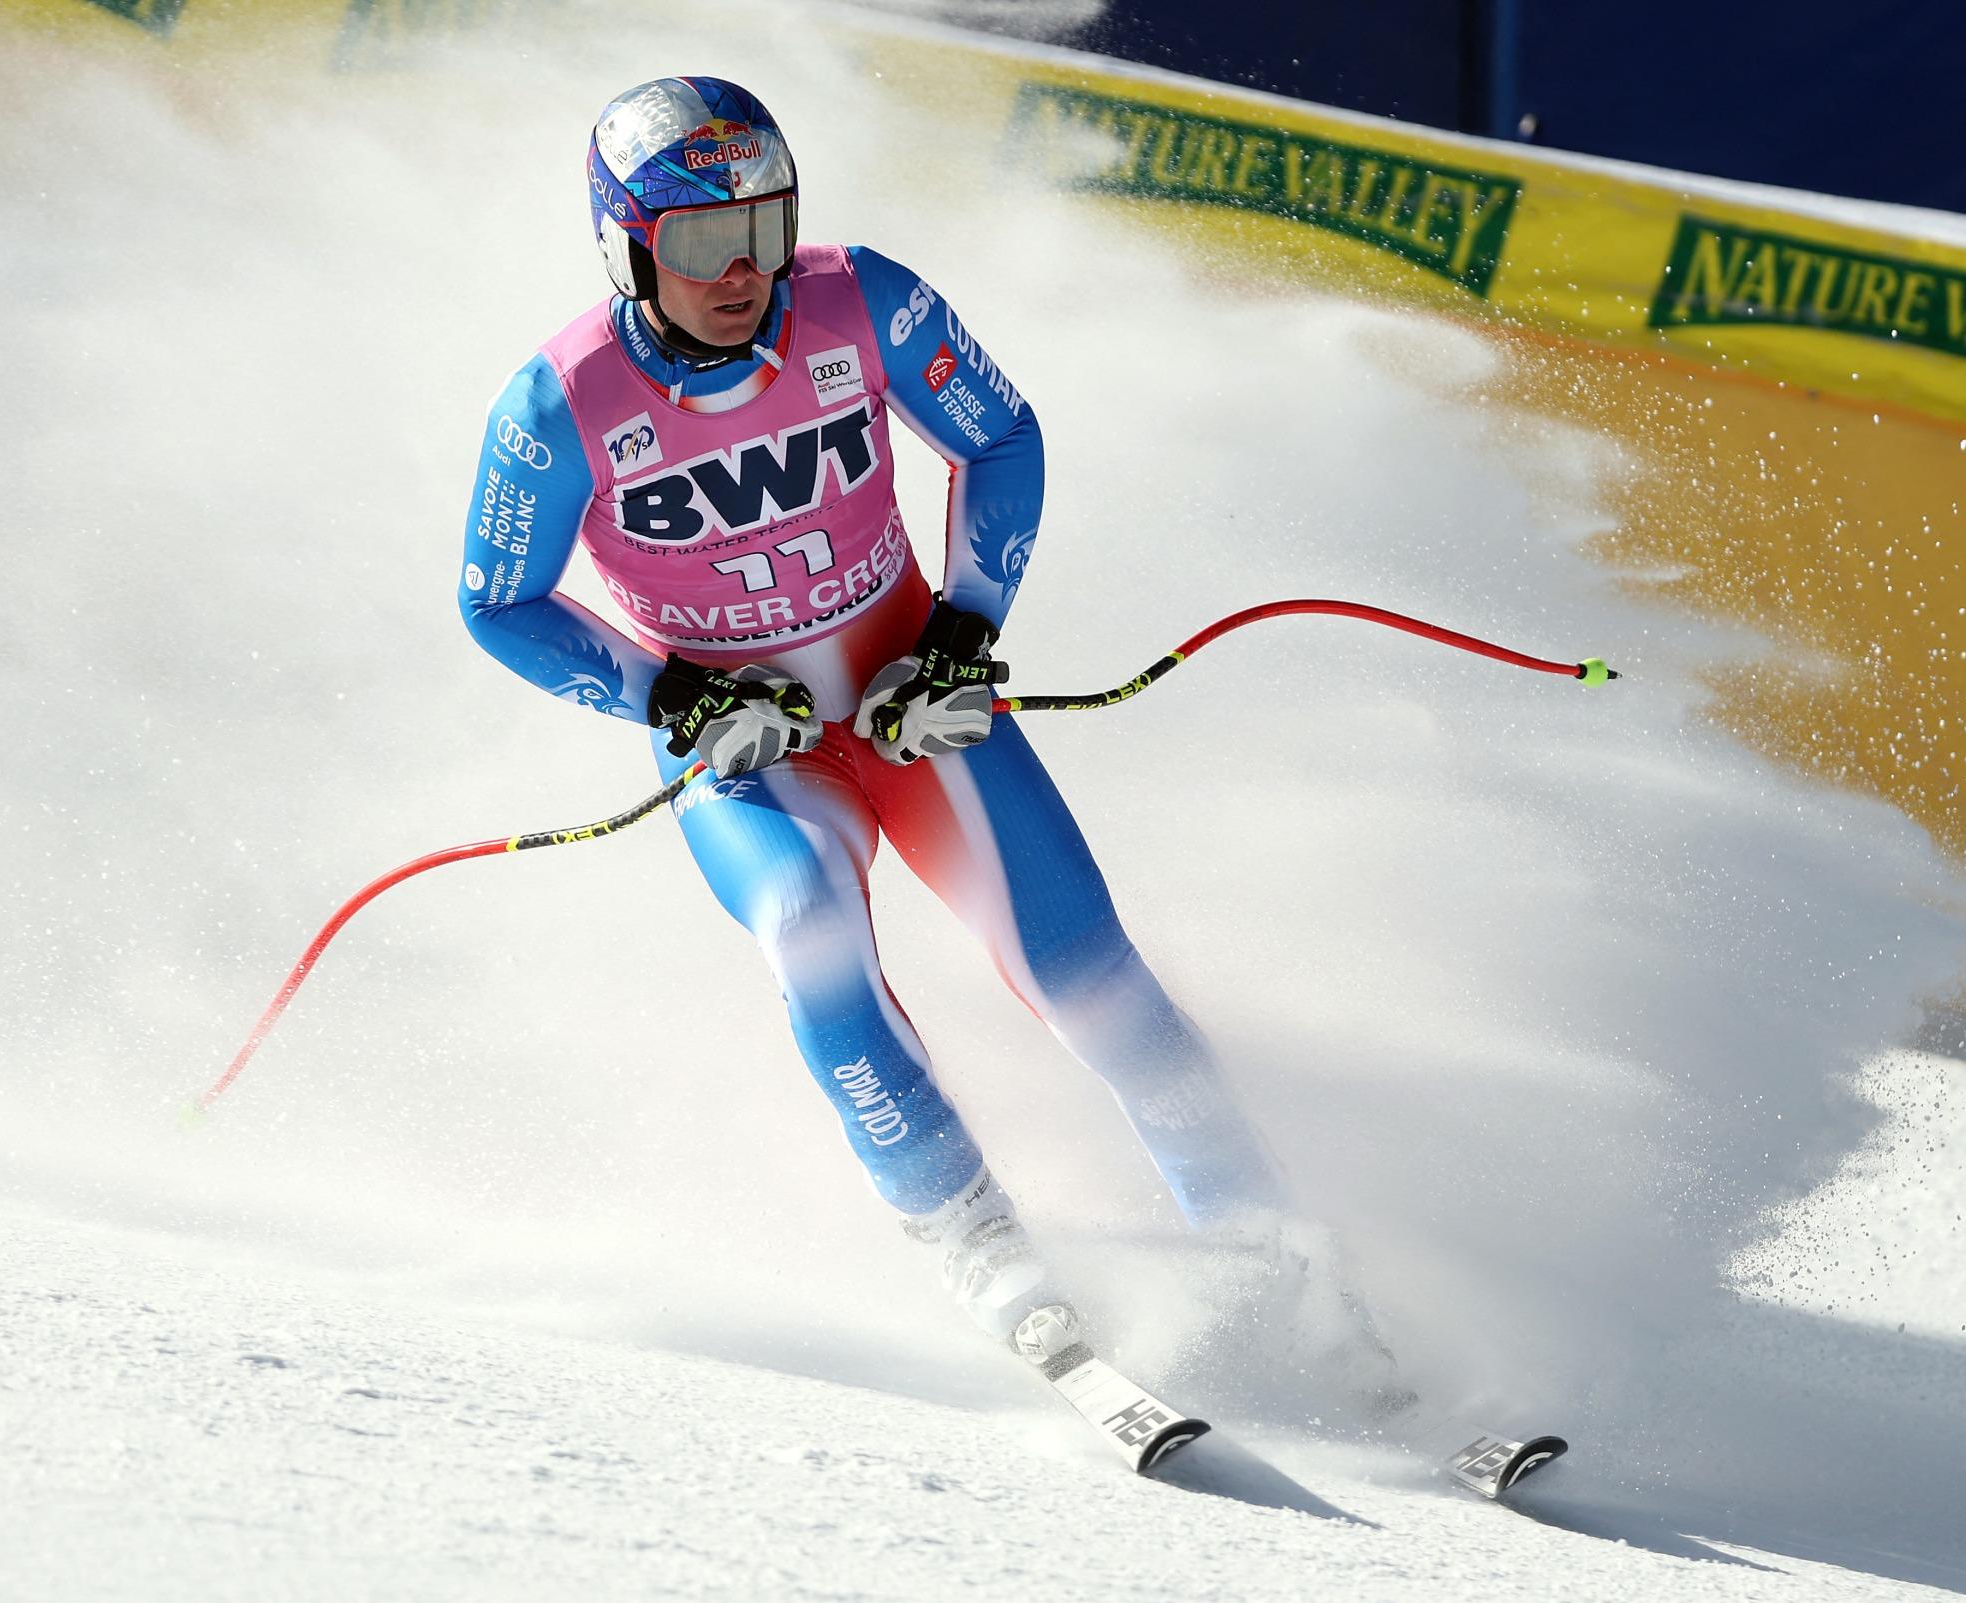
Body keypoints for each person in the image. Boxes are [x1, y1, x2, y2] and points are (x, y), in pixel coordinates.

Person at [458, 76, 1372, 1384]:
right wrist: (669, 696)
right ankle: (974, 1238)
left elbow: (999, 440)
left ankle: (1281, 1260)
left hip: (907, 695)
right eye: (705, 243)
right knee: (808, 931)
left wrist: (962, 630)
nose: (744, 271)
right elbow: (497, 601)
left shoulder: (860, 297)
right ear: (626, 242)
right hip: (752, 744)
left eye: (767, 229)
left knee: (1087, 971)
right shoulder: (557, 409)